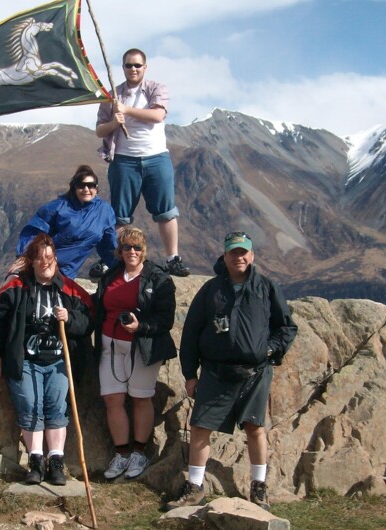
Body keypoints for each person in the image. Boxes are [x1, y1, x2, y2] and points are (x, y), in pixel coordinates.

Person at [166, 231, 297, 510]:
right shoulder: (210, 289)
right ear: (224, 256)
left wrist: (268, 350)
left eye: (243, 252)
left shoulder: (266, 287)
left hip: (256, 372)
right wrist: (190, 375)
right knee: (200, 427)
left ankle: (259, 487)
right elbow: (191, 333)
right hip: (215, 372)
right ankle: (194, 488)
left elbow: (286, 327)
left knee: (255, 428)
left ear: (252, 256)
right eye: (233, 252)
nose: (239, 257)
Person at [0, 233, 93, 486]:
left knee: (56, 408)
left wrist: (70, 318)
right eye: (40, 258)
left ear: (56, 260)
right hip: (25, 360)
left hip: (59, 361)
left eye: (50, 258)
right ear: (31, 261)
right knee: (30, 406)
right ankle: (35, 462)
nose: (46, 263)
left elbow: (89, 320)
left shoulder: (70, 290)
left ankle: (56, 463)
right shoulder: (15, 289)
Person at [95, 48, 190, 278]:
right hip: (124, 160)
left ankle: (172, 259)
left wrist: (126, 110)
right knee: (120, 216)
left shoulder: (157, 89)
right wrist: (114, 123)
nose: (133, 69)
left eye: (137, 65)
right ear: (123, 68)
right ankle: (115, 260)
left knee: (166, 211)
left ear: (145, 67)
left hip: (156, 157)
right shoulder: (112, 96)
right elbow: (100, 130)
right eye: (129, 65)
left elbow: (157, 115)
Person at [93, 226, 177, 480]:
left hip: (142, 347)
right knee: (112, 399)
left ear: (144, 250)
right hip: (110, 346)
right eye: (127, 247)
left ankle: (139, 452)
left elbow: (166, 319)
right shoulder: (111, 276)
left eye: (137, 247)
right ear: (119, 251)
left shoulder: (158, 278)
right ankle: (122, 453)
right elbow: (98, 306)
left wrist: (141, 327)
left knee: (141, 398)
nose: (132, 251)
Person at [10, 165, 118, 280]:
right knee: (14, 283)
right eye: (81, 185)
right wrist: (24, 255)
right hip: (42, 264)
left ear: (96, 188)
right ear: (74, 187)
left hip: (67, 271)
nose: (86, 189)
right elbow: (35, 231)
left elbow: (109, 246)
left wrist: (120, 267)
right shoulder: (58, 207)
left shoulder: (104, 211)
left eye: (90, 185)